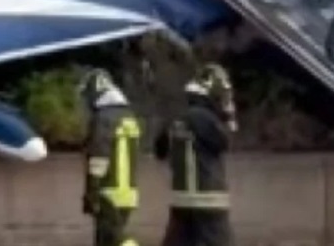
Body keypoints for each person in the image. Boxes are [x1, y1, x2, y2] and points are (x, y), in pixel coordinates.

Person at [154, 63, 237, 246]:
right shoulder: (203, 117)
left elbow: (160, 150)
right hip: (208, 202)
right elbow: (224, 142)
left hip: (181, 202)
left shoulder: (178, 117)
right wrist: (228, 116)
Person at [77, 68, 141, 246]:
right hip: (128, 193)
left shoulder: (103, 118)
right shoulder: (129, 116)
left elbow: (99, 157)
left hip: (108, 192)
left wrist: (92, 192)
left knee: (114, 239)